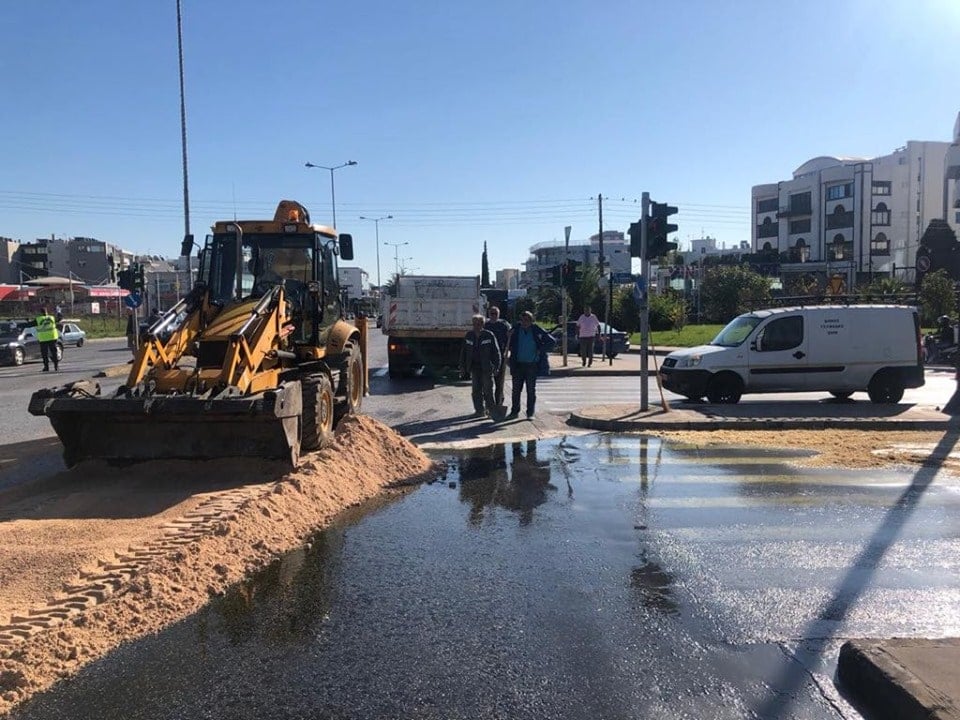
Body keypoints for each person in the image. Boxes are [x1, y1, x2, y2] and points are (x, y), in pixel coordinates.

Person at [506, 311, 555, 420]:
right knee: (516, 390)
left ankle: (530, 413)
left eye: (527, 320)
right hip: (518, 364)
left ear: (531, 321)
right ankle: (514, 412)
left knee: (531, 390)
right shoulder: (516, 329)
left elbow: (551, 341)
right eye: (523, 320)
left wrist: (540, 349)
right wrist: (508, 336)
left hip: (532, 365)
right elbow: (507, 342)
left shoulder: (536, 329)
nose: (524, 322)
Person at [459, 314, 502, 420]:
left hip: (487, 367)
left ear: (483, 324)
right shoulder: (469, 335)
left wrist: (497, 367)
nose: (476, 326)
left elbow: (496, 352)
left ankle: (491, 411)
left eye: (479, 324)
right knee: (476, 391)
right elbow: (463, 352)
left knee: (488, 390)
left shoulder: (489, 335)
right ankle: (479, 411)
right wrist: (462, 367)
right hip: (474, 367)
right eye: (474, 324)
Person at [484, 305, 511, 408]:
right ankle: (489, 404)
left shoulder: (504, 324)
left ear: (499, 314)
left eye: (496, 313)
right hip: (487, 357)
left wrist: (508, 350)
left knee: (499, 383)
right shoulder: (485, 325)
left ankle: (499, 402)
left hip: (500, 357)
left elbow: (510, 335)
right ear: (489, 314)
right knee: (487, 383)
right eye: (492, 313)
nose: (494, 315)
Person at [32, 306, 60, 372]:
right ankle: (56, 366)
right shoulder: (52, 318)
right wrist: (59, 312)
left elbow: (29, 324)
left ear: (40, 312)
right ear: (46, 312)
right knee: (54, 353)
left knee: (45, 354)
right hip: (52, 338)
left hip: (43, 339)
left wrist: (17, 325)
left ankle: (46, 367)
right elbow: (59, 318)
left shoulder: (38, 319)